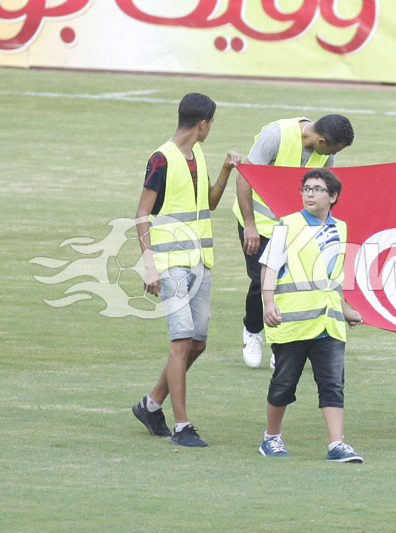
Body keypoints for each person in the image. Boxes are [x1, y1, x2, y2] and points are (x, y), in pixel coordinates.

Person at [132, 92, 243, 447]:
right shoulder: (160, 159)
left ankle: (150, 405)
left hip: (200, 262)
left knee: (197, 344)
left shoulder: (198, 154)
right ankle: (182, 427)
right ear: (204, 123)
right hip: (170, 264)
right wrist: (149, 265)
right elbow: (141, 215)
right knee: (181, 342)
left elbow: (207, 204)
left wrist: (226, 169)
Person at [257, 168, 364, 462]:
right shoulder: (287, 226)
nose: (310, 194)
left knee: (332, 383)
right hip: (292, 322)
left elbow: (333, 277)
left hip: (328, 323)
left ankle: (336, 444)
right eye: (306, 189)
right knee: (284, 383)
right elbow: (269, 267)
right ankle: (271, 438)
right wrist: (268, 303)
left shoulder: (340, 228)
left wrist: (345, 310)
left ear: (333, 197)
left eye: (317, 189)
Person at [234, 115, 354, 369]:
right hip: (260, 224)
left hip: (295, 227)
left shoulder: (325, 153)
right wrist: (250, 226)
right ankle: (252, 330)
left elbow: (323, 188)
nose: (332, 155)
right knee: (262, 280)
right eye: (332, 150)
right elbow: (244, 177)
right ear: (321, 140)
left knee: (292, 283)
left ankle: (282, 346)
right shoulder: (275, 135)